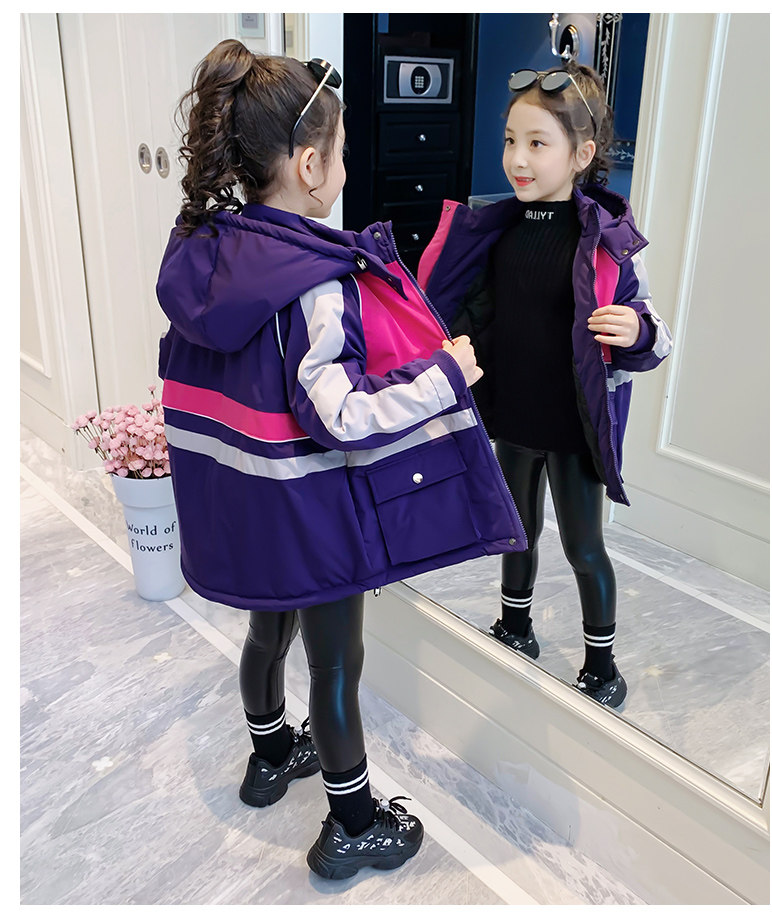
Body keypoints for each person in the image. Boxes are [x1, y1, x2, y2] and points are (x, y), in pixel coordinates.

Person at [155, 39, 526, 880]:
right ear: (312, 165)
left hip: (241, 505)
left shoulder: (203, 255)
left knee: (266, 633)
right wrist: (445, 375)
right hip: (309, 512)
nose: (346, 168)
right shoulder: (316, 282)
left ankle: (268, 758)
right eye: (345, 151)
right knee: (334, 663)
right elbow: (344, 416)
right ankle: (353, 823)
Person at [417, 62, 672, 709]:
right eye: (510, 141)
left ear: (581, 155)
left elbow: (656, 334)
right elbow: (470, 309)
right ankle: (516, 626)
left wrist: (636, 330)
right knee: (517, 531)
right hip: (513, 415)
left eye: (537, 143)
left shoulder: (607, 242)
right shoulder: (496, 229)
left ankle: (602, 663)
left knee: (585, 546)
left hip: (574, 424)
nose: (517, 159)